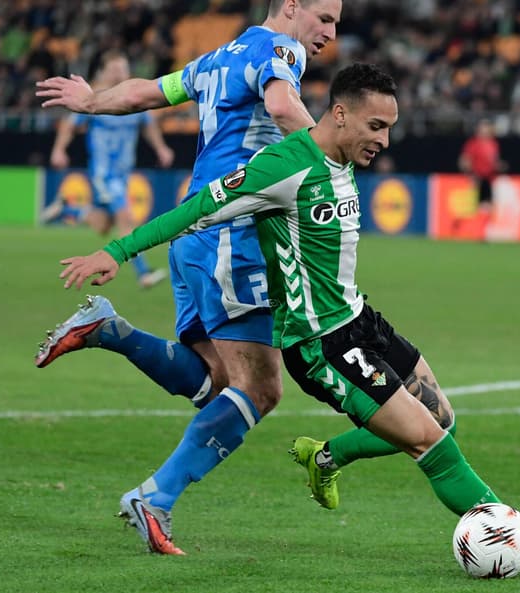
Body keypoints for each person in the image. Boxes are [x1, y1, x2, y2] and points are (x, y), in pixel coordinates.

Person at [55, 63, 520, 574]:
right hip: (322, 346)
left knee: (442, 417)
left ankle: (329, 456)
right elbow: (195, 209)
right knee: (431, 442)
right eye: (376, 126)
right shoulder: (282, 168)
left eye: (390, 128)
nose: (383, 140)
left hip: (362, 321)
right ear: (340, 114)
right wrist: (117, 251)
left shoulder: (340, 158)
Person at [34, 0, 341, 555]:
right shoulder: (282, 50)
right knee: (261, 389)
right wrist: (331, 158)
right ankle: (156, 498)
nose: (329, 32)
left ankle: (109, 329)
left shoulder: (218, 57)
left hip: (193, 234)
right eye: (324, 17)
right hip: (235, 236)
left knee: (215, 381)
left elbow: (146, 92)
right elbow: (281, 101)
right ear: (291, 7)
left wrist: (90, 102)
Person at [41, 49, 175, 289]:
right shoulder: (95, 98)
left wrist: (161, 148)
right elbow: (69, 126)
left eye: (123, 69)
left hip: (123, 173)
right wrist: (59, 150)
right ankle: (144, 274)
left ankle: (68, 208)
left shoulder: (134, 96)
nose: (119, 74)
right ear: (104, 71)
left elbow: (149, 125)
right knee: (126, 219)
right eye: (114, 69)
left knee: (103, 225)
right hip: (104, 172)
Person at [457, 118, 506, 238]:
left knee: (487, 206)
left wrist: (499, 165)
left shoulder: (493, 144)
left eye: (487, 128)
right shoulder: (473, 144)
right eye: (483, 128)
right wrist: (469, 173)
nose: (485, 131)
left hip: (489, 179)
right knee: (476, 206)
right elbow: (465, 160)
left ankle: (482, 232)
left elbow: (493, 161)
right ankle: (471, 232)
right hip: (477, 177)